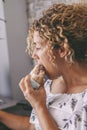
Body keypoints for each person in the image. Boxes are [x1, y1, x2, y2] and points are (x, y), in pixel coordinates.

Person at [0, 3, 87, 130]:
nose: (34, 55)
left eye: (39, 47)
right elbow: (32, 126)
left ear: (62, 50)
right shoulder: (49, 85)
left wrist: (39, 105)